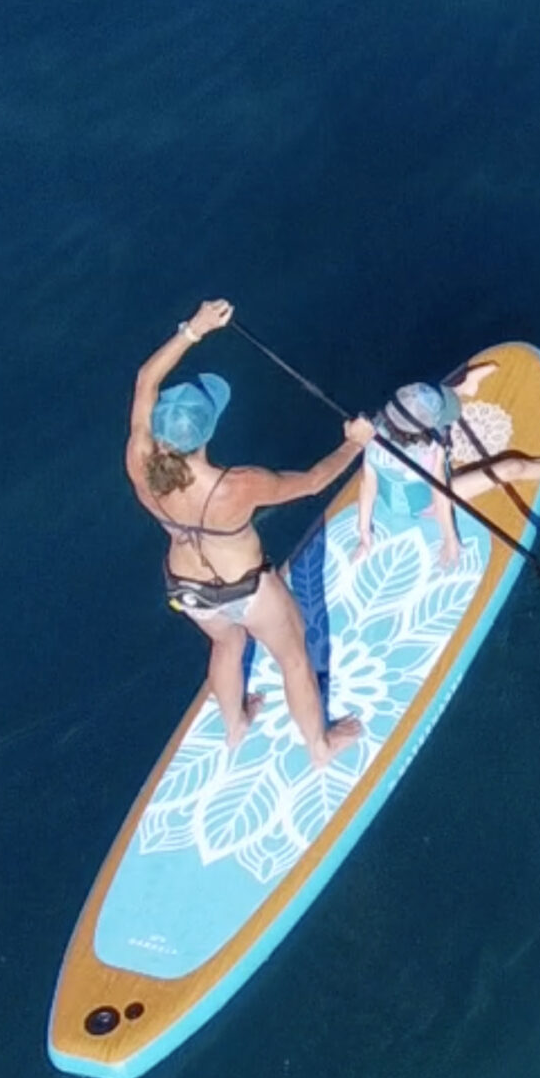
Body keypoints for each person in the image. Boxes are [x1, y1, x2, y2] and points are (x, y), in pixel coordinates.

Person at [127, 299, 373, 765]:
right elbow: (315, 481)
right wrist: (353, 444)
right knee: (294, 656)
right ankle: (320, 747)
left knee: (226, 642)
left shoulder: (139, 461)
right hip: (245, 588)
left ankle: (236, 725)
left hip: (186, 589)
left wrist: (192, 330)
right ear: (206, 435)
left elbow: (145, 381)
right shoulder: (236, 487)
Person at [354, 360, 540, 569]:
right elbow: (441, 494)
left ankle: (465, 387)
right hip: (428, 504)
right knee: (512, 468)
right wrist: (450, 539)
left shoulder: (375, 434)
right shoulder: (431, 451)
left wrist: (364, 533)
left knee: (429, 404)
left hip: (402, 496)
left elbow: (368, 482)